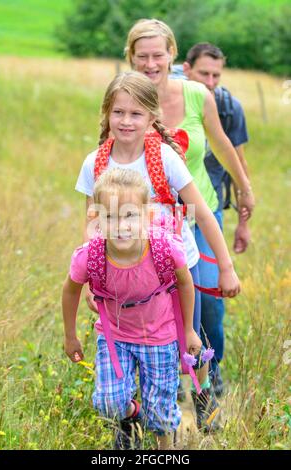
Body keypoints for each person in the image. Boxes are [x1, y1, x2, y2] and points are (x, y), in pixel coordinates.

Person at [75, 71, 240, 431]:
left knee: (188, 348)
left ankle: (203, 402)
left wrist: (225, 265)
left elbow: (203, 214)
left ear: (152, 117)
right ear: (106, 114)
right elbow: (93, 226)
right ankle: (130, 425)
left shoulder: (165, 158)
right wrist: (92, 280)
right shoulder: (95, 163)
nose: (126, 121)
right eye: (118, 113)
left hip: (175, 271)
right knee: (127, 348)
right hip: (122, 277)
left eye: (136, 114)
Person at [124, 19, 254, 406]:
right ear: (130, 57)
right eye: (142, 56)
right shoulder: (127, 100)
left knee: (208, 296)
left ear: (173, 55)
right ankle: (153, 388)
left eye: (158, 55)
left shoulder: (198, 94)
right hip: (150, 220)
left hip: (200, 211)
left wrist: (245, 189)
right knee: (148, 300)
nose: (150, 63)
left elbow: (223, 143)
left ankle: (206, 379)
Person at [63, 167, 202, 449]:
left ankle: (165, 450)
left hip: (160, 337)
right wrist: (70, 335)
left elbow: (186, 284)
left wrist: (187, 330)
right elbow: (70, 290)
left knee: (161, 409)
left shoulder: (165, 249)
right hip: (115, 336)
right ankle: (133, 414)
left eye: (130, 215)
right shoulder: (89, 256)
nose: (121, 225)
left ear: (147, 215)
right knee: (108, 403)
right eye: (110, 216)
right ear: (96, 219)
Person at [171, 43, 251, 396]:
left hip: (209, 204)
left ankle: (210, 368)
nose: (212, 81)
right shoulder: (165, 96)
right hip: (169, 211)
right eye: (204, 73)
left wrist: (245, 205)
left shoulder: (229, 107)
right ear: (186, 69)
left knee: (209, 298)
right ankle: (169, 374)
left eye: (217, 74)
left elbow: (233, 153)